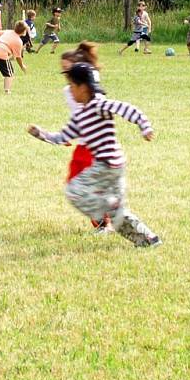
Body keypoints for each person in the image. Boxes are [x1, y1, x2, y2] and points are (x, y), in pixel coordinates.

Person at [28, 62, 161, 248]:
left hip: (106, 164)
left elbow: (129, 109)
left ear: (84, 88)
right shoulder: (81, 115)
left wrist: (145, 127)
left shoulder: (98, 104)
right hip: (116, 166)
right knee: (118, 216)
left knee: (74, 191)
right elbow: (62, 137)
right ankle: (148, 240)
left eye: (72, 86)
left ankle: (111, 206)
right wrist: (41, 134)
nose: (70, 91)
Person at [60, 42, 112, 234]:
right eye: (64, 71)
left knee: (87, 186)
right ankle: (104, 219)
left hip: (94, 145)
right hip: (82, 145)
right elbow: (77, 116)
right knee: (74, 183)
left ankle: (104, 223)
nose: (66, 75)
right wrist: (68, 134)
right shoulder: (68, 92)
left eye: (69, 70)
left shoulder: (91, 87)